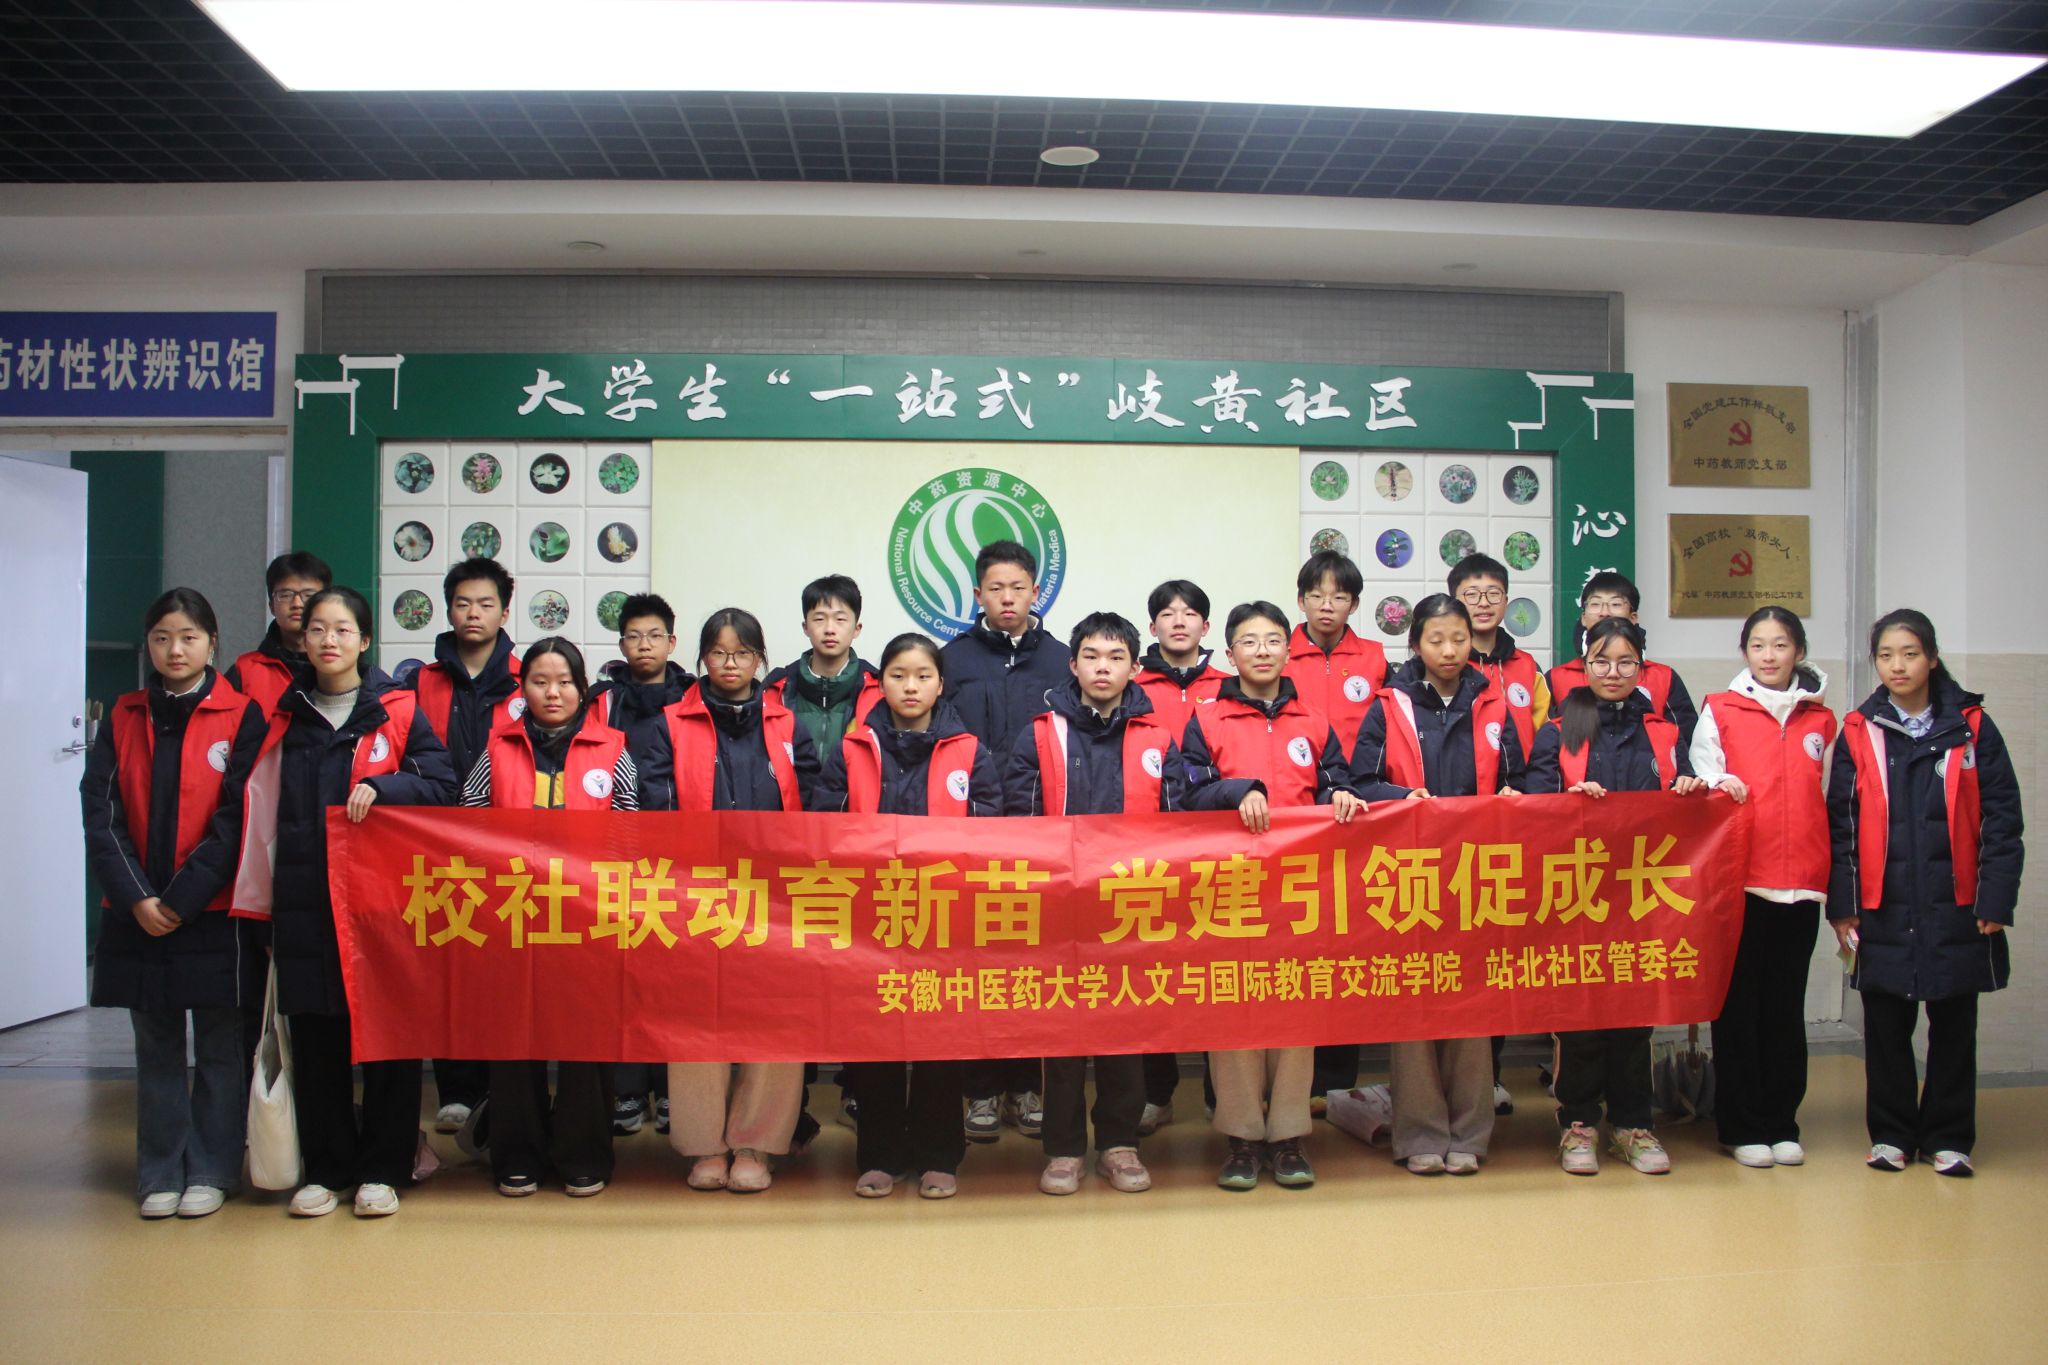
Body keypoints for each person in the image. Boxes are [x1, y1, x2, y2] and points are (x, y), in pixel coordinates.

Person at [252, 586, 455, 1218]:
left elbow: (442, 783)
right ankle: (329, 1168)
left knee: (389, 1036)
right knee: (317, 1038)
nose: (328, 640)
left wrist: (386, 787)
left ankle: (384, 1168)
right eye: (317, 629)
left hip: (383, 904)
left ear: (365, 641)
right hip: (305, 898)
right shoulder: (284, 716)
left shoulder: (396, 710)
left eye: (342, 630)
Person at [82, 588, 268, 1220]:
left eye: (188, 638)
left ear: (212, 643)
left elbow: (239, 815)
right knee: (156, 1042)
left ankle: (213, 1168)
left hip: (210, 908)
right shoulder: (124, 714)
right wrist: (137, 897)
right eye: (162, 638)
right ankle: (159, 1170)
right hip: (136, 908)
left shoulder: (242, 715)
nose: (175, 650)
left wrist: (183, 898)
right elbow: (101, 812)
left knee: (219, 1043)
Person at [1827, 609, 2024, 1178]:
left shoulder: (1973, 726)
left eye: (1909, 654)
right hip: (1883, 904)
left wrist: (1996, 899)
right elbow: (1841, 825)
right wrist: (1843, 906)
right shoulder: (1859, 730)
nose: (1898, 666)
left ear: (1932, 659)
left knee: (1955, 1024)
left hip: (1957, 902)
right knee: (1886, 1025)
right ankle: (1891, 1135)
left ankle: (1949, 1137)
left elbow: (2003, 819)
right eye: (1886, 656)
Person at [633, 608, 821, 1194]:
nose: (730, 663)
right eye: (718, 652)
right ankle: (705, 1146)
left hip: (776, 898)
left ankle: (756, 1143)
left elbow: (817, 807)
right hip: (695, 896)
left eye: (742, 653)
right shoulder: (667, 725)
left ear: (761, 658)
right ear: (701, 658)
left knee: (774, 1020)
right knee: (698, 1021)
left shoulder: (788, 725)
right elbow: (652, 812)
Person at [1181, 601, 1363, 1191]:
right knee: (1235, 1010)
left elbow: (1335, 780)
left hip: (1299, 887)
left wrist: (1340, 796)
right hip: (1229, 887)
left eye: (1273, 640)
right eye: (1249, 641)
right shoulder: (1206, 719)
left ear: (1289, 650)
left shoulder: (1314, 719)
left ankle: (1287, 1136)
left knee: (1292, 1007)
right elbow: (1185, 791)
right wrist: (1237, 790)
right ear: (1229, 653)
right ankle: (1240, 1138)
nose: (1262, 651)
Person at [813, 632, 1002, 1199]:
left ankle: (939, 1155)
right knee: (875, 1044)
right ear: (882, 683)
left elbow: (993, 836)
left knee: (940, 1044)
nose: (910, 686)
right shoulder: (853, 749)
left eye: (923, 676)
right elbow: (824, 832)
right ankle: (880, 1155)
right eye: (898, 675)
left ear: (941, 684)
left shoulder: (970, 751)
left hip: (946, 916)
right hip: (869, 921)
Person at [1003, 611, 1182, 1196]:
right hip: (1060, 909)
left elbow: (1181, 824)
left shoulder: (1157, 738)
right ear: (1073, 664)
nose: (1103, 667)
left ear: (1135, 667)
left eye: (1115, 657)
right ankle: (1062, 1149)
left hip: (1132, 907)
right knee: (1062, 1035)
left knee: (1124, 1031)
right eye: (1091, 656)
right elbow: (1019, 822)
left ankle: (1119, 1144)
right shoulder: (1039, 733)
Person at [1350, 595, 1525, 1175]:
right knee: (1416, 1004)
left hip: (1479, 873)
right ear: (1415, 644)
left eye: (1458, 638)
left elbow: (1521, 777)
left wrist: (1514, 794)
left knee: (1473, 1004)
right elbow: (1360, 782)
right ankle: (1421, 1133)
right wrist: (1404, 797)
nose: (1449, 650)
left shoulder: (1494, 701)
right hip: (1411, 875)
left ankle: (1470, 1134)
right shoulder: (1388, 704)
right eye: (1436, 639)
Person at [460, 638, 638, 1198]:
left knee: (586, 1042)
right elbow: (467, 827)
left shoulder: (613, 751)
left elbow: (632, 833)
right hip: (514, 916)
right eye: (539, 682)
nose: (552, 693)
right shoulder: (497, 751)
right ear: (523, 690)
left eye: (564, 682)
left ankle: (584, 1153)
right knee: (516, 1038)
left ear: (583, 690)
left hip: (589, 919)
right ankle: (518, 1153)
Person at [1528, 617, 1706, 1177]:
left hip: (1643, 895)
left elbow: (1692, 797)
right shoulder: (1561, 729)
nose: (1613, 672)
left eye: (1626, 662)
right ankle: (1577, 1123)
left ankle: (1632, 1124)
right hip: (1577, 893)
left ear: (1642, 668)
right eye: (1601, 661)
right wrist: (1568, 799)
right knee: (1579, 1015)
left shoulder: (1664, 732)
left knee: (1634, 1015)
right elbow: (1532, 805)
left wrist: (1689, 787)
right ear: (1583, 665)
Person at [1690, 606, 1837, 1169]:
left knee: (1784, 1008)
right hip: (1739, 883)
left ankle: (1782, 1122)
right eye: (1758, 645)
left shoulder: (1821, 720)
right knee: (1738, 1007)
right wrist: (1717, 783)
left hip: (1801, 886)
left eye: (1779, 645)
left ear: (1798, 651)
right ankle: (1741, 1124)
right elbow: (1703, 779)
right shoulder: (1720, 709)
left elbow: (1833, 798)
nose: (1769, 656)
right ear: (1744, 651)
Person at [940, 540, 1069, 1144]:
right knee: (975, 967)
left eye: (1018, 587)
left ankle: (1026, 1085)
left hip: (1041, 838)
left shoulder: (1063, 660)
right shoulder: (951, 660)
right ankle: (981, 1089)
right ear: (977, 594)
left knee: (1032, 967)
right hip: (968, 835)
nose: (1008, 598)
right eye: (996, 588)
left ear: (1036, 591)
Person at [406, 556, 522, 1134]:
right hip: (438, 847)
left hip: (511, 851)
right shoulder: (419, 683)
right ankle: (456, 1088)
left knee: (502, 969)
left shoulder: (528, 678)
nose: (473, 613)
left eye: (485, 603)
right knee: (448, 964)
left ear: (506, 610)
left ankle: (503, 1088)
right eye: (462, 603)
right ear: (448, 609)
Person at [582, 592, 692, 1138]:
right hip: (616, 854)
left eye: (654, 636)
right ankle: (626, 1090)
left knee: (675, 977)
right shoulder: (601, 700)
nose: (643, 645)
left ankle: (672, 1089)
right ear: (621, 643)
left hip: (684, 856)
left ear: (672, 642)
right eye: (633, 636)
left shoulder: (694, 696)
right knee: (621, 978)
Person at [1447, 552, 1551, 1116]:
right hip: (1451, 831)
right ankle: (1455, 1075)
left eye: (1493, 593)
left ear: (1507, 601)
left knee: (1500, 953)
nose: (1483, 603)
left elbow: (1546, 740)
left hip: (1516, 825)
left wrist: (1529, 797)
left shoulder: (1528, 667)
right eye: (1472, 593)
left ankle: (1490, 1073)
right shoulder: (1441, 664)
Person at [1286, 550, 1390, 1098]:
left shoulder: (1374, 658)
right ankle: (1290, 1078)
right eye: (1317, 596)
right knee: (1293, 943)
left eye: (1339, 597)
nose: (1327, 606)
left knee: (1346, 945)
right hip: (1294, 817)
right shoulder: (1278, 653)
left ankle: (1335, 1083)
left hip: (1357, 815)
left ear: (1354, 604)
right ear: (1300, 600)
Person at [1131, 578, 1229, 1132]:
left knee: (1218, 970)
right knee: (1153, 974)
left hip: (1217, 845)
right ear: (1153, 627)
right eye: (1167, 613)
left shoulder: (1228, 685)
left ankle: (1221, 1094)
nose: (1178, 621)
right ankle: (1157, 1093)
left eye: (1189, 613)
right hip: (1151, 846)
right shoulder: (1134, 684)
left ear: (1205, 626)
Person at [1548, 571, 1698, 748]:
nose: (1604, 612)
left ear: (1633, 617)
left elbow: (1683, 742)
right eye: (1595, 604)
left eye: (1615, 604)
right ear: (1583, 618)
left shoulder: (1663, 677)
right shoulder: (1556, 678)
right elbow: (1547, 743)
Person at [764, 573, 882, 755]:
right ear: (805, 627)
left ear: (857, 629)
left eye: (840, 619)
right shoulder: (777, 690)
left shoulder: (878, 690)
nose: (829, 629)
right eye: (819, 619)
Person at [225, 551, 331, 717]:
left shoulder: (341, 667)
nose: (297, 603)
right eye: (285, 595)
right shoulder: (244, 671)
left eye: (308, 595)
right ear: (271, 606)